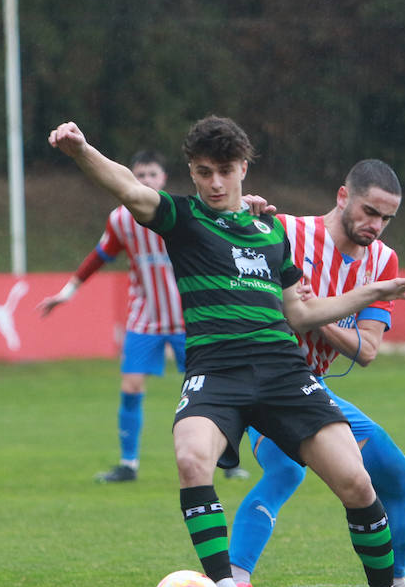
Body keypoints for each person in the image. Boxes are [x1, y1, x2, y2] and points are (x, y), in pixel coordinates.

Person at [48, 114, 405, 587]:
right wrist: (81, 150)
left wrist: (373, 293)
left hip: (284, 372)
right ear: (191, 170)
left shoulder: (270, 231)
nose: (214, 183)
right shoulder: (182, 218)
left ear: (243, 169)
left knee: (357, 481)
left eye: (225, 171)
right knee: (191, 460)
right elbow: (127, 187)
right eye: (203, 172)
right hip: (216, 371)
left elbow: (300, 314)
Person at [226, 160, 405, 587]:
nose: (376, 225)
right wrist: (241, 214)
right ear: (342, 196)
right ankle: (236, 584)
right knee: (285, 471)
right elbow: (229, 245)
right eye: (370, 212)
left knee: (396, 471)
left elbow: (366, 350)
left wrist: (320, 313)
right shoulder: (287, 231)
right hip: (264, 379)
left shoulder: (383, 261)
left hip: (313, 388)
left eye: (387, 218)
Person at [38, 151, 250, 484]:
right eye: (140, 174)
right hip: (146, 317)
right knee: (130, 385)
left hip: (190, 317)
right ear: (130, 177)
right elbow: (100, 256)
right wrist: (67, 292)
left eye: (152, 174)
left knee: (212, 387)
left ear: (163, 178)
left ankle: (228, 459)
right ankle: (128, 464)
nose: (146, 180)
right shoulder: (122, 219)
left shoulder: (184, 212)